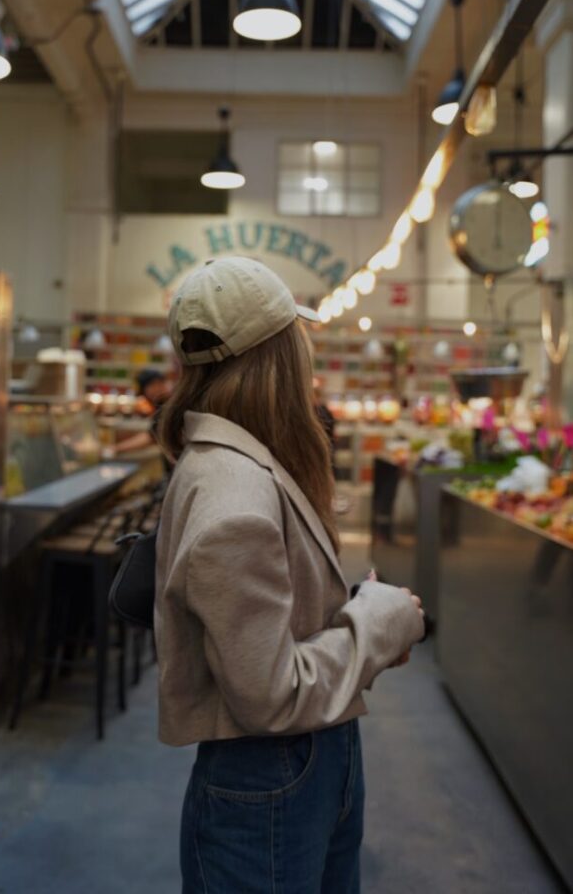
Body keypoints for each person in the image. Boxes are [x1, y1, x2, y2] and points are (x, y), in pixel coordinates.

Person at [155, 256, 424, 894]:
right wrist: (377, 625)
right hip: (272, 775)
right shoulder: (234, 500)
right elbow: (269, 694)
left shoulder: (240, 464)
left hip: (302, 761)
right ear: (278, 356)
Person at [114, 368, 171, 456]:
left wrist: (115, 449)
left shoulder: (167, 407)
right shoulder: (143, 406)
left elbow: (150, 437)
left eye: (160, 383)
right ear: (143, 389)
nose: (158, 388)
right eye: (152, 385)